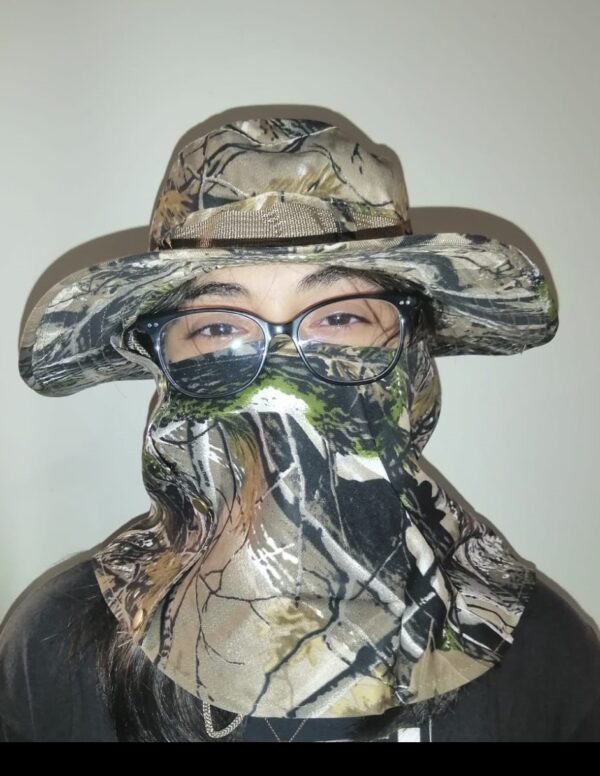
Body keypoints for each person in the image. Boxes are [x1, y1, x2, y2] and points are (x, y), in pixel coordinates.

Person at [2, 117, 599, 742]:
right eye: (219, 327)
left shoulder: (542, 656)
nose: (280, 377)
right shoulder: (54, 648)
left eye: (338, 318)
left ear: (412, 350)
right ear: (161, 359)